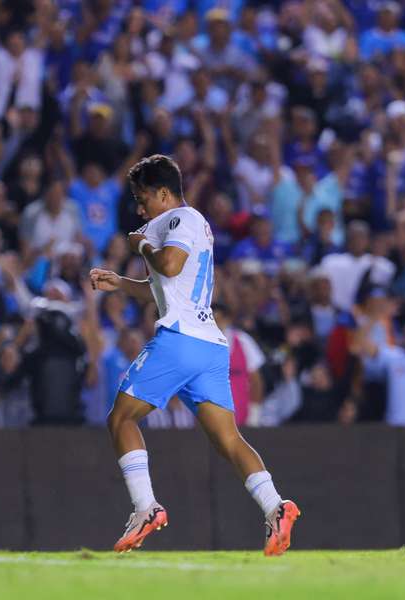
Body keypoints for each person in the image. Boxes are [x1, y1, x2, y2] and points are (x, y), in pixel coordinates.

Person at [89, 154, 299, 556]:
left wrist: (142, 243)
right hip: (209, 346)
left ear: (164, 194)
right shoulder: (187, 223)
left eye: (142, 198)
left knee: (120, 418)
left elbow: (168, 265)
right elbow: (165, 286)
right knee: (228, 440)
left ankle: (146, 508)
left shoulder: (178, 220)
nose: (139, 208)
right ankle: (276, 506)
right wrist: (122, 283)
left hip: (180, 341)